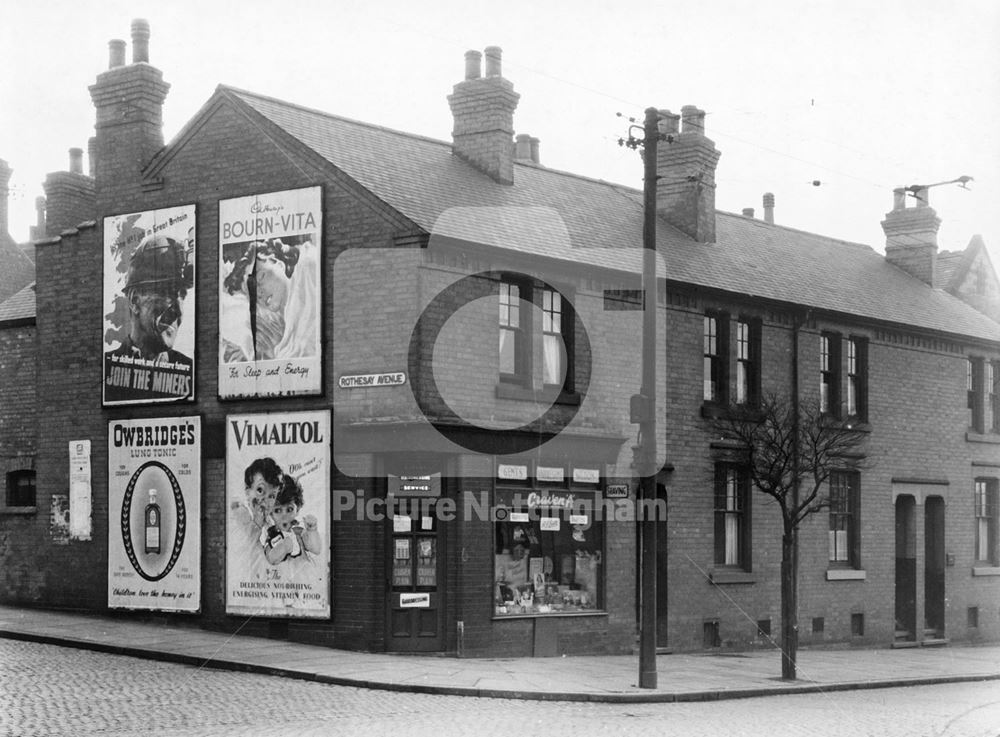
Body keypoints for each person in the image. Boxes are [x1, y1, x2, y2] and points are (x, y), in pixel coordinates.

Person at [107, 234, 193, 367]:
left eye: (182, 296)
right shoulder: (106, 367)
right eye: (168, 293)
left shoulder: (191, 370)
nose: (178, 311)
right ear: (135, 300)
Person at [260, 473, 321, 565]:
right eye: (277, 510)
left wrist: (312, 530)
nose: (284, 516)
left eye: (289, 509)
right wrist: (283, 547)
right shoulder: (272, 535)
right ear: (270, 513)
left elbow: (315, 549)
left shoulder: (297, 531)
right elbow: (270, 558)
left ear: (297, 509)